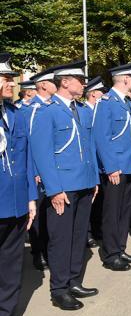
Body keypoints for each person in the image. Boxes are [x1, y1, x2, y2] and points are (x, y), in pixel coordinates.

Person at [30, 60, 99, 310]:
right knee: (61, 239)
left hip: (83, 183)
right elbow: (42, 154)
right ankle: (59, 289)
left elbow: (88, 147)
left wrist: (94, 181)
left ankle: (73, 281)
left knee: (79, 236)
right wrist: (54, 189)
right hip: (63, 187)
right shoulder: (48, 112)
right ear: (65, 82)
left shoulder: (78, 109)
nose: (84, 84)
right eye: (81, 80)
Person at [93, 62, 131, 271]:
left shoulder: (126, 102)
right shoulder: (106, 102)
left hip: (129, 165)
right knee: (112, 212)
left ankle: (120, 248)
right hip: (116, 168)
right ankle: (111, 254)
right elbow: (101, 137)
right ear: (125, 80)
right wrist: (111, 167)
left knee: (124, 210)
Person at [0, 53, 36, 316]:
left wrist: (31, 199)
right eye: (5, 79)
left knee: (11, 267)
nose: (12, 84)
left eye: (11, 79)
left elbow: (27, 160)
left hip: (15, 204)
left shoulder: (15, 115)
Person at [25, 66, 57, 270]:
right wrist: (36, 170)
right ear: (44, 85)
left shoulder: (54, 106)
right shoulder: (31, 109)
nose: (57, 83)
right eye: (53, 81)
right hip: (38, 173)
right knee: (37, 214)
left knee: (51, 213)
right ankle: (38, 252)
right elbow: (31, 144)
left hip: (55, 169)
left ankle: (49, 249)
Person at [83, 76, 107, 249]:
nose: (103, 95)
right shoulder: (84, 110)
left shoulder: (99, 110)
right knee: (89, 202)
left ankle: (97, 229)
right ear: (92, 94)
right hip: (91, 164)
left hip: (101, 164)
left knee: (100, 200)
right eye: (101, 92)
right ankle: (88, 233)